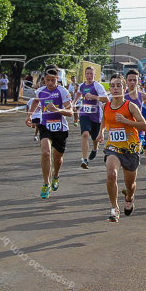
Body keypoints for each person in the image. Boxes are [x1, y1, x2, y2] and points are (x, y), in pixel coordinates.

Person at [100, 75, 146, 221]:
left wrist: (126, 121)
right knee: (111, 174)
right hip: (113, 148)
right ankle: (114, 208)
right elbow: (104, 119)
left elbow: (144, 126)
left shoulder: (130, 106)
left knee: (130, 185)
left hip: (130, 149)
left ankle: (129, 198)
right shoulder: (105, 106)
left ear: (123, 88)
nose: (115, 89)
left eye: (118, 86)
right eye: (113, 85)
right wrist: (100, 132)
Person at [25, 68, 73, 197]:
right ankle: (46, 184)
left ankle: (55, 175)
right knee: (46, 153)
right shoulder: (41, 91)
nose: (50, 83)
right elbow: (36, 101)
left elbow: (70, 112)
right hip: (45, 125)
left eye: (53, 80)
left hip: (60, 128)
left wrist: (57, 110)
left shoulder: (63, 91)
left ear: (57, 79)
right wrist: (29, 116)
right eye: (47, 80)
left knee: (58, 159)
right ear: (43, 79)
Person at [74, 66, 108, 169]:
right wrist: (74, 103)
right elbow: (78, 93)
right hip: (84, 113)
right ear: (85, 75)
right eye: (87, 74)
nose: (89, 76)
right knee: (85, 134)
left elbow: (106, 99)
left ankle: (94, 148)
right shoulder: (81, 86)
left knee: (95, 138)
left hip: (96, 115)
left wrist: (93, 97)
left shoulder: (97, 86)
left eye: (91, 74)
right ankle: (85, 160)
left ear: (94, 75)